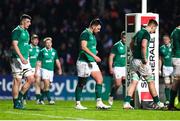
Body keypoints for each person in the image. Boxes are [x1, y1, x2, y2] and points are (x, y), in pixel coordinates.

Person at [123, 19, 164, 109]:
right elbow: (143, 45)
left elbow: (131, 43)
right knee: (150, 81)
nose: (155, 31)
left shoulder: (139, 32)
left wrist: (134, 52)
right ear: (152, 26)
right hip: (142, 62)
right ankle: (157, 102)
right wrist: (144, 58)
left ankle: (126, 102)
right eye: (155, 29)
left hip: (134, 61)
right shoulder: (146, 34)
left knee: (133, 82)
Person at [75, 18, 111, 110]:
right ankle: (78, 104)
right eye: (98, 28)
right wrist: (94, 56)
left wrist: (95, 52)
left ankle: (99, 102)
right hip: (83, 62)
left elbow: (90, 47)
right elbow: (83, 47)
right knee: (81, 83)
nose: (99, 30)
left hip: (92, 62)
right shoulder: (85, 33)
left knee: (100, 79)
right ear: (93, 26)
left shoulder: (93, 35)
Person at [10, 14, 35, 109]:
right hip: (17, 59)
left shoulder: (26, 32)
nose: (30, 23)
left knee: (31, 79)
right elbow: (15, 45)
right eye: (28, 22)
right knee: (18, 80)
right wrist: (21, 57)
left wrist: (28, 56)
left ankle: (20, 97)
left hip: (26, 59)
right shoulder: (17, 31)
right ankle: (16, 103)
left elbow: (25, 45)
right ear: (23, 21)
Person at [35, 37, 62, 104]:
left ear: (51, 43)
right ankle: (50, 100)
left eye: (49, 43)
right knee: (46, 84)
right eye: (47, 43)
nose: (48, 44)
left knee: (47, 86)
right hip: (44, 69)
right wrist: (37, 71)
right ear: (45, 44)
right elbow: (38, 62)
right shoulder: (42, 51)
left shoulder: (54, 51)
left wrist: (60, 69)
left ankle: (40, 100)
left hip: (51, 71)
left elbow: (57, 61)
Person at [108, 31, 126, 106]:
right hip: (118, 67)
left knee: (125, 83)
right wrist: (110, 67)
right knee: (118, 84)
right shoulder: (117, 45)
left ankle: (126, 101)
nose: (125, 39)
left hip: (125, 67)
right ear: (121, 37)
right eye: (124, 38)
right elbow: (111, 56)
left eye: (126, 38)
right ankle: (111, 95)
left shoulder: (129, 44)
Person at [28, 34, 43, 104]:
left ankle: (38, 99)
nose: (36, 41)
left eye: (37, 39)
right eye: (34, 39)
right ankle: (23, 99)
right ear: (31, 40)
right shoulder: (27, 47)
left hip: (37, 68)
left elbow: (40, 60)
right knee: (28, 83)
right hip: (29, 68)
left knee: (37, 83)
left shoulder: (39, 49)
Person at [168, 21, 180, 110]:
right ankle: (171, 104)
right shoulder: (178, 32)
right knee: (177, 81)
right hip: (178, 57)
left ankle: (173, 103)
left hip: (176, 57)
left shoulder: (174, 31)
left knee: (177, 80)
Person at [159, 34, 173, 106]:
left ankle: (174, 99)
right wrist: (159, 69)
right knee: (167, 84)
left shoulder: (174, 47)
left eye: (166, 39)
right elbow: (160, 59)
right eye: (164, 40)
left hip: (173, 67)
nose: (165, 41)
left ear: (169, 40)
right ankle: (167, 100)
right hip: (165, 67)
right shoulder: (161, 48)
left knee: (174, 84)